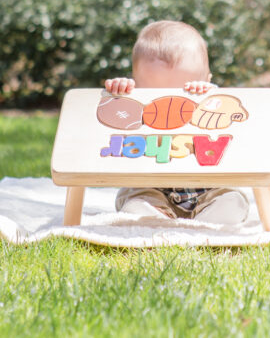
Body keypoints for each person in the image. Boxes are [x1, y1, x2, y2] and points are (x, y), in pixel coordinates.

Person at [104, 20, 250, 224]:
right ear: (137, 83)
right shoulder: (134, 98)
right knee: (133, 205)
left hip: (209, 188)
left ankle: (203, 225)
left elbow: (227, 111)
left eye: (182, 91)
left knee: (234, 202)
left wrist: (208, 95)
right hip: (152, 190)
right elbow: (116, 115)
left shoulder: (213, 100)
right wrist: (121, 93)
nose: (171, 103)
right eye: (156, 93)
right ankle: (157, 220)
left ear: (207, 80)